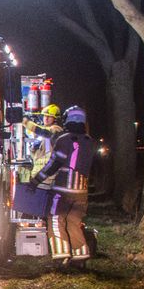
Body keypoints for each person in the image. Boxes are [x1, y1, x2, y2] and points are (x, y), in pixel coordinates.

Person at [30, 106, 95, 269]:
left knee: (55, 220)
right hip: (82, 191)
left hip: (63, 190)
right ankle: (80, 256)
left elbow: (53, 164)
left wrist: (36, 181)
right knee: (73, 221)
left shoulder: (64, 140)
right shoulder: (89, 141)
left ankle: (62, 256)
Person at [23, 104, 62, 179]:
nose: (46, 118)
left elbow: (41, 131)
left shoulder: (56, 129)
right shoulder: (41, 135)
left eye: (49, 116)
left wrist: (25, 122)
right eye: (44, 116)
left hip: (48, 175)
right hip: (39, 173)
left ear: (55, 119)